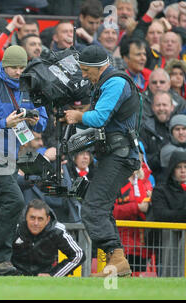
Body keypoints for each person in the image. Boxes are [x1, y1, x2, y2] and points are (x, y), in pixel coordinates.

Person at [64, 45, 141, 277]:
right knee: (100, 207)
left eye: (86, 71)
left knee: (93, 208)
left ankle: (116, 258)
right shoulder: (104, 82)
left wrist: (78, 116)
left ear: (100, 67)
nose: (84, 75)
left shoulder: (116, 83)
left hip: (120, 156)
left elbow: (99, 118)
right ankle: (117, 263)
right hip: (112, 155)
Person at [0, 45, 47, 275]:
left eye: (21, 67)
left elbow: (44, 119)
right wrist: (2, 122)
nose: (18, 71)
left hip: (10, 156)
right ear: (3, 65)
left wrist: (37, 121)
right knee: (16, 201)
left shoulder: (31, 88)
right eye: (13, 67)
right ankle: (0, 257)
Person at [11, 199, 85, 277]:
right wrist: (9, 272)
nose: (36, 223)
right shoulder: (14, 227)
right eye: (32, 218)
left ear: (47, 220)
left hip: (44, 277)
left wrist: (53, 275)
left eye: (40, 219)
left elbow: (78, 254)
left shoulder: (57, 230)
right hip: (15, 277)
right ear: (26, 217)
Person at [139, 91, 176, 183]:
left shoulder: (181, 128)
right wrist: (162, 154)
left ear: (172, 107)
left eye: (164, 105)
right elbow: (144, 163)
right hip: (155, 182)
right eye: (158, 105)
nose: (161, 108)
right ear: (152, 107)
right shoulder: (144, 129)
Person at [150, 150, 186, 222]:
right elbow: (160, 214)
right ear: (172, 169)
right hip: (165, 232)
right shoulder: (160, 190)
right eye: (178, 167)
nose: (183, 170)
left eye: (185, 167)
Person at [160, 114, 186, 181]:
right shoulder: (167, 150)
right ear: (171, 132)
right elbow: (181, 154)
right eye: (177, 129)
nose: (181, 132)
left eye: (184, 129)